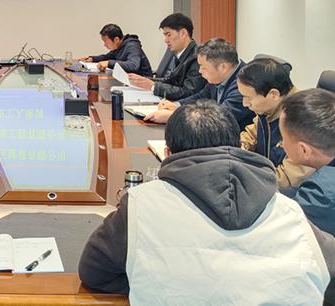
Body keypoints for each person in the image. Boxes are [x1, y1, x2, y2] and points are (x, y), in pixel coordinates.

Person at [78, 100, 334, 304]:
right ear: (239, 146)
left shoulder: (140, 204)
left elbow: (94, 273)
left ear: (167, 153)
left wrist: (149, 281)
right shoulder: (291, 211)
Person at [237, 58, 313, 189]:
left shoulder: (304, 122)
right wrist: (241, 147)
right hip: (267, 176)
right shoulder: (268, 109)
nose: (244, 103)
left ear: (274, 94)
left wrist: (248, 177)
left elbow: (287, 179)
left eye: (248, 98)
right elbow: (251, 134)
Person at [144, 38, 254, 129]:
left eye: (203, 67)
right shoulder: (219, 76)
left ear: (223, 67)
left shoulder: (244, 84)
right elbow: (201, 96)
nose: (200, 71)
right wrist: (176, 105)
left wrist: (173, 116)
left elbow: (221, 118)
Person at [280, 89, 335, 236]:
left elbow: (281, 225)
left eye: (283, 138)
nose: (281, 144)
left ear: (304, 150)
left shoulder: (321, 196)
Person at [128, 13, 206, 100]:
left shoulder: (197, 58)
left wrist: (153, 86)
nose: (166, 40)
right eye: (165, 35)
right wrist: (143, 81)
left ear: (183, 33)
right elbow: (170, 81)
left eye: (169, 35)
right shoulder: (181, 53)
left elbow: (189, 93)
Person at [80, 24, 152, 76]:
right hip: (128, 80)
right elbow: (107, 57)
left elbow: (133, 65)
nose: (105, 45)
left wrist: (109, 63)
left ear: (116, 39)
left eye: (106, 42)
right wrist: (92, 58)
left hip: (143, 83)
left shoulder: (132, 46)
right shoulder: (119, 46)